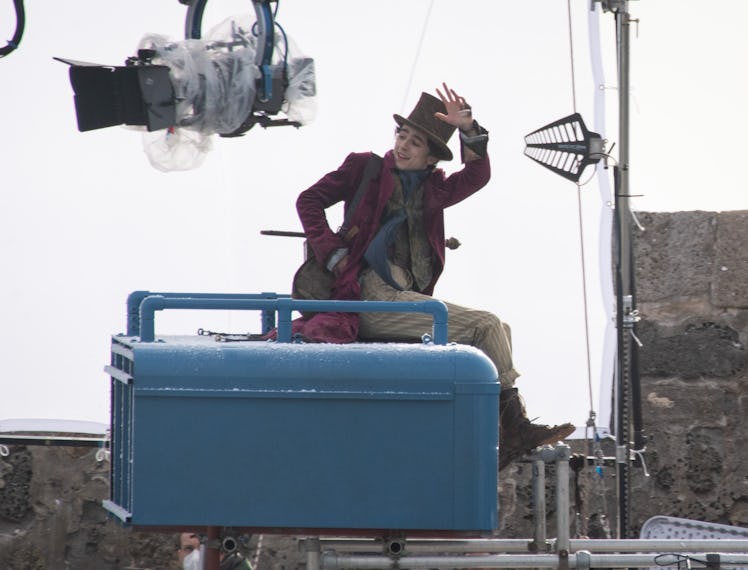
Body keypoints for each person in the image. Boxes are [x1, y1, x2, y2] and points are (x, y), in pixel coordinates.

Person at [291, 82, 574, 469]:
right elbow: (309, 200)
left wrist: (469, 130)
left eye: (416, 142)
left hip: (398, 297)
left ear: (430, 158)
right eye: (401, 135)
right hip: (367, 296)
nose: (403, 145)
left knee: (499, 331)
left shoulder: (432, 190)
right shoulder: (365, 169)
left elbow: (476, 176)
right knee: (486, 325)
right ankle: (517, 429)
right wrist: (333, 252)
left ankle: (502, 435)